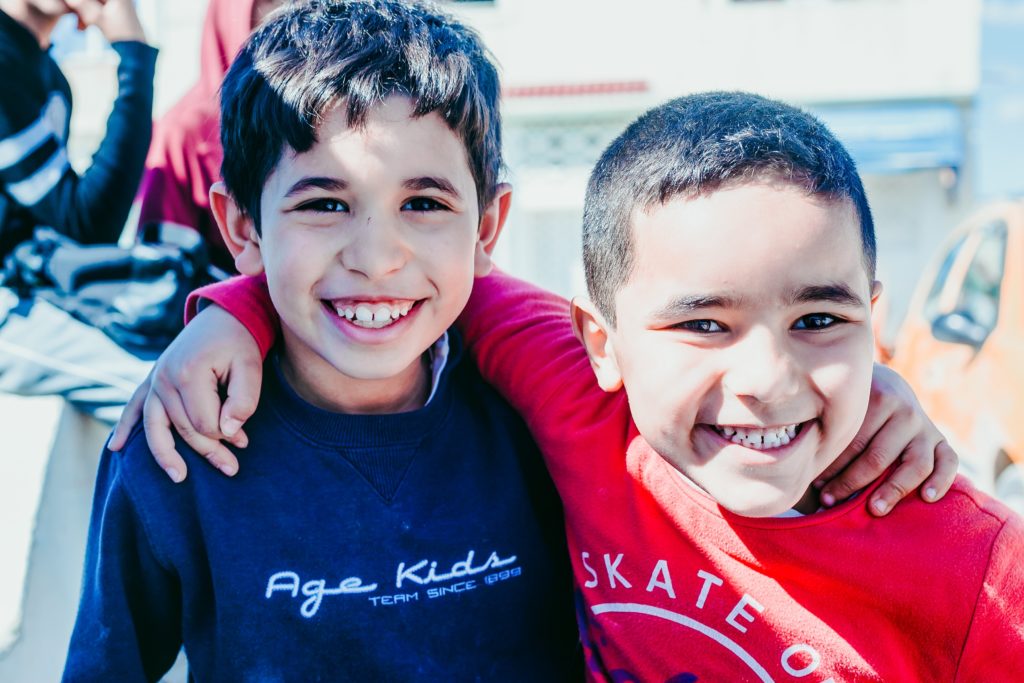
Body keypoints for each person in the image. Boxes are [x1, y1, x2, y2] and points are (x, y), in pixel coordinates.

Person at [119, 92, 1022, 679]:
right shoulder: (584, 409)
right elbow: (418, 281)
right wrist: (236, 308)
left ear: (876, 316)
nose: (767, 379)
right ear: (604, 341)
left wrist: (871, 383)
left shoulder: (973, 563)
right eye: (705, 324)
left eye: (819, 321)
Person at [62, 1, 581, 680]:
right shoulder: (177, 444)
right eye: (324, 204)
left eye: (424, 204)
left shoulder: (544, 425)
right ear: (242, 229)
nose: (376, 258)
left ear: (487, 228)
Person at [0, 0, 157, 423]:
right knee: (168, 394)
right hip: (11, 304)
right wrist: (134, 54)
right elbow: (85, 223)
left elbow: (85, 225)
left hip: (34, 286)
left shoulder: (45, 71)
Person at [134, 0, 285, 274]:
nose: (290, 13)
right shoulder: (181, 131)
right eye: (273, 2)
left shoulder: (333, 118)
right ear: (231, 15)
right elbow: (160, 275)